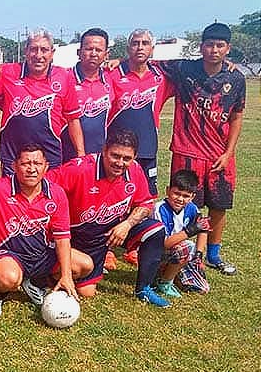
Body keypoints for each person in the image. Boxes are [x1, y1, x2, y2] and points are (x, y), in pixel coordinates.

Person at [153, 22, 246, 276]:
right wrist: (119, 62)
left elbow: (236, 117)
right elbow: (148, 60)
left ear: (228, 48)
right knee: (180, 202)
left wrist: (228, 153)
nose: (214, 50)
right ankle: (174, 250)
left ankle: (212, 254)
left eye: (219, 45)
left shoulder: (235, 78)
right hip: (187, 151)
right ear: (201, 46)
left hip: (219, 154)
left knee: (218, 206)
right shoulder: (185, 68)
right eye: (209, 44)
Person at [46, 130, 170, 307]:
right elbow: (43, 188)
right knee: (86, 292)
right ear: (104, 150)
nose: (120, 163)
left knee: (155, 230)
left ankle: (144, 289)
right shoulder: (79, 169)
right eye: (115, 156)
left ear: (134, 157)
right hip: (78, 236)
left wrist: (127, 224)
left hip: (111, 232)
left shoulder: (135, 170)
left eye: (127, 158)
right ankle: (45, 276)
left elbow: (145, 204)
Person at [0, 145, 92, 316]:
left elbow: (62, 238)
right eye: (25, 164)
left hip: (42, 254)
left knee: (84, 265)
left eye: (37, 163)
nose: (32, 169)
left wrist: (66, 275)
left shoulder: (56, 193)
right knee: (8, 278)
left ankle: (37, 283)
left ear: (46, 166)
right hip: (10, 253)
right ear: (14, 166)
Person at [0, 28, 84, 176]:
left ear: (52, 53)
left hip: (50, 156)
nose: (39, 55)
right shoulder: (7, 72)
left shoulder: (64, 76)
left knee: (48, 197)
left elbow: (73, 118)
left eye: (44, 50)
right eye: (34, 49)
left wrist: (81, 154)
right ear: (26, 51)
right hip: (13, 156)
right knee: (11, 198)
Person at [105, 29, 175, 197]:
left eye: (145, 44)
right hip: (117, 150)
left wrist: (226, 65)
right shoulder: (112, 74)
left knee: (147, 196)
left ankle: (147, 224)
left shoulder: (161, 76)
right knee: (115, 195)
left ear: (152, 49)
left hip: (147, 148)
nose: (140, 48)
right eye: (135, 44)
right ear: (128, 49)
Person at [153, 170, 211, 296]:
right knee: (186, 246)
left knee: (202, 288)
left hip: (177, 253)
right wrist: (190, 231)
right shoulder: (159, 209)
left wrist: (199, 256)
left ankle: (173, 274)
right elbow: (164, 244)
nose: (180, 199)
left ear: (192, 197)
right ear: (168, 190)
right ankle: (164, 282)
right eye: (176, 194)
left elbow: (204, 228)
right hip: (156, 254)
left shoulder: (192, 208)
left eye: (185, 196)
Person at [61, 27, 114, 162]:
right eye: (89, 49)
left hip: (100, 155)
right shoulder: (64, 77)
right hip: (65, 154)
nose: (94, 53)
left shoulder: (111, 77)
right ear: (79, 52)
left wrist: (120, 60)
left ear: (106, 54)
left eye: (99, 50)